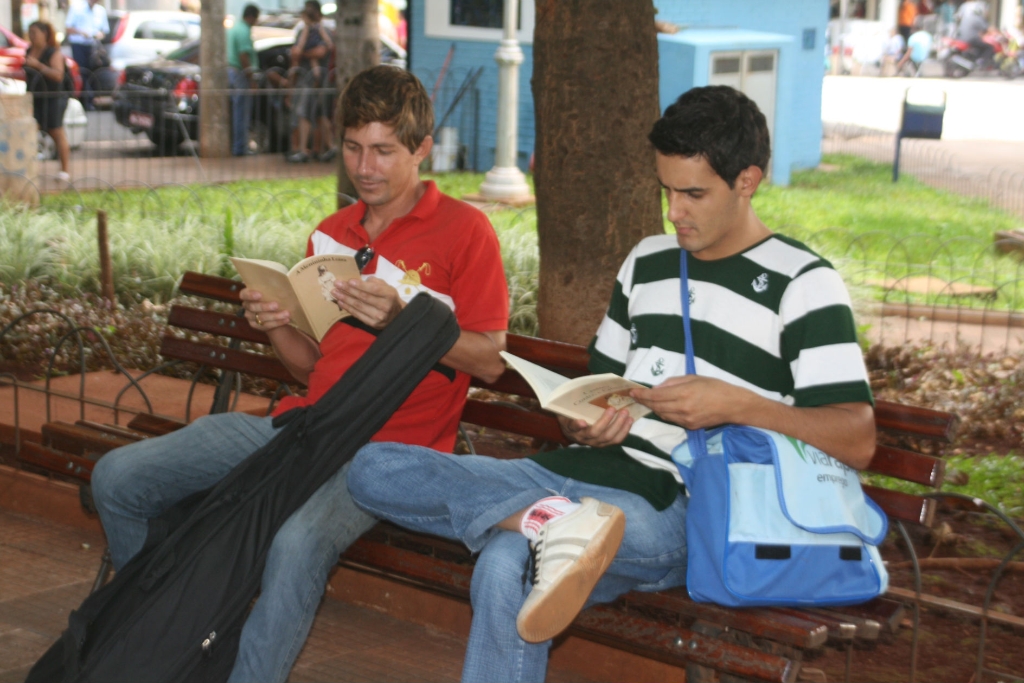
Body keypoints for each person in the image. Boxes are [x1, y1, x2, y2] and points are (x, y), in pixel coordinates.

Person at [346, 84, 876, 683]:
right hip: (575, 475)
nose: (674, 211)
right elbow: (598, 388)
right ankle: (551, 520)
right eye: (666, 191)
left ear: (748, 181)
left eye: (693, 193)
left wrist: (737, 404)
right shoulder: (646, 261)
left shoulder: (803, 282)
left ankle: (545, 522)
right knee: (371, 468)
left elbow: (856, 438)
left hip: (677, 501)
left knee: (502, 567)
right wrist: (582, 422)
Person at [89, 65, 510, 683]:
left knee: (293, 545)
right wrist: (276, 323)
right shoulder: (333, 235)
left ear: (421, 149)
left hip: (390, 453)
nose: (364, 167)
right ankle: (171, 629)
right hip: (305, 427)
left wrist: (404, 322)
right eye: (352, 147)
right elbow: (312, 366)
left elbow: (491, 361)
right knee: (119, 477)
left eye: (384, 151)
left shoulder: (464, 231)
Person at [287, 0, 337, 163]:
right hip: (306, 79)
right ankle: (312, 148)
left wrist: (304, 55)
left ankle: (321, 148)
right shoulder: (303, 31)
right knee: (308, 113)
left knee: (316, 113)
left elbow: (321, 52)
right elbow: (296, 52)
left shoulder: (324, 31)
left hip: (319, 80)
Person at [24, 21, 71, 182]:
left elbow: (58, 75)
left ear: (45, 34)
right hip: (35, 97)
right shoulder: (29, 50)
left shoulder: (53, 53)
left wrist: (37, 65)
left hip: (53, 97)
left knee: (56, 131)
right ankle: (27, 168)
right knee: (30, 131)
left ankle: (65, 170)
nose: (32, 36)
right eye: (30, 32)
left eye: (35, 32)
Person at [227, 4, 260, 156]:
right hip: (240, 74)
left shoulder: (235, 28)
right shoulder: (244, 31)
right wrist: (251, 78)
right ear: (252, 17)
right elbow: (243, 56)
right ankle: (240, 148)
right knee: (242, 113)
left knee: (237, 112)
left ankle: (238, 146)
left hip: (232, 72)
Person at [64, 0, 108, 111]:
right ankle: (85, 101)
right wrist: (81, 32)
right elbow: (69, 28)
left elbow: (104, 30)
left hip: (93, 46)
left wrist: (99, 35)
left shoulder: (100, 10)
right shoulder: (77, 7)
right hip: (79, 45)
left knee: (93, 73)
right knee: (82, 72)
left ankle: (92, 100)